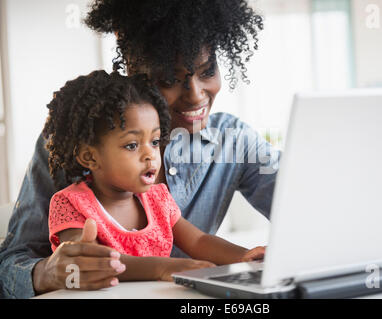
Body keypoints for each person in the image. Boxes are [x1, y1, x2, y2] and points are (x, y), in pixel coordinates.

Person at [0, 0, 279, 298]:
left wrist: (247, 256)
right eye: (170, 80)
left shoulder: (234, 140)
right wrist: (46, 273)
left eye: (207, 71)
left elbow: (311, 208)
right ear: (134, 67)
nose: (196, 94)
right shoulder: (71, 143)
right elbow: (10, 266)